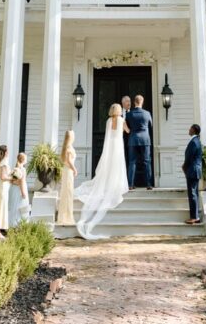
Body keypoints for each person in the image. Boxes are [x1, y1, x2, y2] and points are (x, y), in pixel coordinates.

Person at [76, 104, 128, 240]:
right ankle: (115, 184)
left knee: (109, 165)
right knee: (117, 165)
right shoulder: (122, 120)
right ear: (119, 111)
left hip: (110, 147)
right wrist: (126, 118)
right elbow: (127, 131)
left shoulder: (108, 121)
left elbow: (108, 135)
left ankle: (108, 183)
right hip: (118, 146)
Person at [125, 94, 154, 190]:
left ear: (134, 102)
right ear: (142, 102)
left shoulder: (129, 114)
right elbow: (151, 125)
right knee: (146, 162)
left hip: (133, 139)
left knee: (132, 162)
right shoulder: (147, 113)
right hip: (145, 139)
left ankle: (130, 184)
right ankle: (149, 184)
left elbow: (127, 127)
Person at [182, 124, 203, 225]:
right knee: (194, 193)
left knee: (193, 193)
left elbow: (189, 157)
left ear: (194, 130)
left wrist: (184, 167)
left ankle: (194, 217)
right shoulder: (196, 141)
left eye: (190, 128)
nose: (188, 129)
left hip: (193, 170)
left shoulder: (194, 142)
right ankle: (196, 216)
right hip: (194, 170)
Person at [57, 132, 77, 227]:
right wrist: (75, 169)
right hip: (68, 171)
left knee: (66, 192)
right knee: (68, 193)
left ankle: (65, 216)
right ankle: (67, 217)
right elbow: (69, 161)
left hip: (66, 170)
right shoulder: (69, 148)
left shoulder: (65, 147)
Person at [9, 153, 30, 229]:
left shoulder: (14, 169)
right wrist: (23, 192)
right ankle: (20, 225)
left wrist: (15, 183)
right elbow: (22, 182)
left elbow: (11, 181)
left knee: (14, 206)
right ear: (23, 160)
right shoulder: (22, 169)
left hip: (14, 189)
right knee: (21, 207)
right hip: (20, 190)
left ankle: (12, 224)